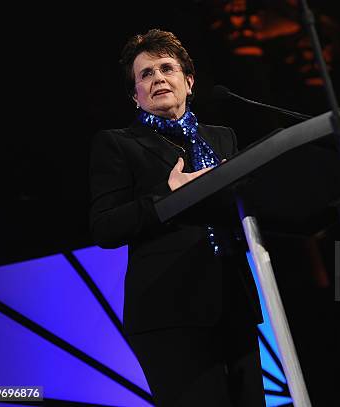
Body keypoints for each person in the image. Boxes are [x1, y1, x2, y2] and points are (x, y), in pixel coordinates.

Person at [89, 29, 264, 406]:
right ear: (135, 95)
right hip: (169, 311)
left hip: (234, 302)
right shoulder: (119, 143)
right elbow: (105, 226)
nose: (157, 79)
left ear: (188, 81)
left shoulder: (221, 138)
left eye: (166, 68)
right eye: (145, 74)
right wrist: (167, 197)